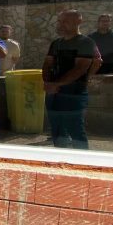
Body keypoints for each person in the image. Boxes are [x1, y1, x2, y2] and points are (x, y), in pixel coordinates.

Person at [42, 10, 95, 149]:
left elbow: (80, 68)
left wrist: (56, 84)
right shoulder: (56, 43)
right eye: (59, 21)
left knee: (76, 131)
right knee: (57, 131)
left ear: (78, 22)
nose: (61, 25)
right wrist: (48, 83)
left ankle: (81, 161)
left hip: (73, 94)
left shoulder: (85, 42)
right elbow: (47, 64)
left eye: (65, 21)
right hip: (54, 94)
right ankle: (61, 159)